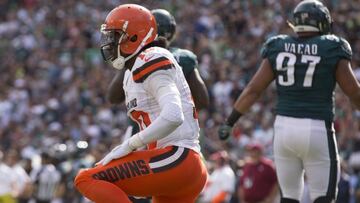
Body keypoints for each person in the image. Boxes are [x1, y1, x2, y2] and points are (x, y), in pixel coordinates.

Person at [218, 0, 360, 202]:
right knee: (324, 197)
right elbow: (353, 91)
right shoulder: (332, 47)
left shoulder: (278, 46)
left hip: (283, 129)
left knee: (289, 197)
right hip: (317, 128)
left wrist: (230, 121)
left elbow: (253, 90)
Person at [74, 4, 208, 203]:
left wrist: (129, 145)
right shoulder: (132, 70)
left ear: (134, 37)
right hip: (181, 164)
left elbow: (173, 115)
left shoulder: (150, 56)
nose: (109, 42)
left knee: (86, 178)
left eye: (115, 36)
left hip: (180, 158)